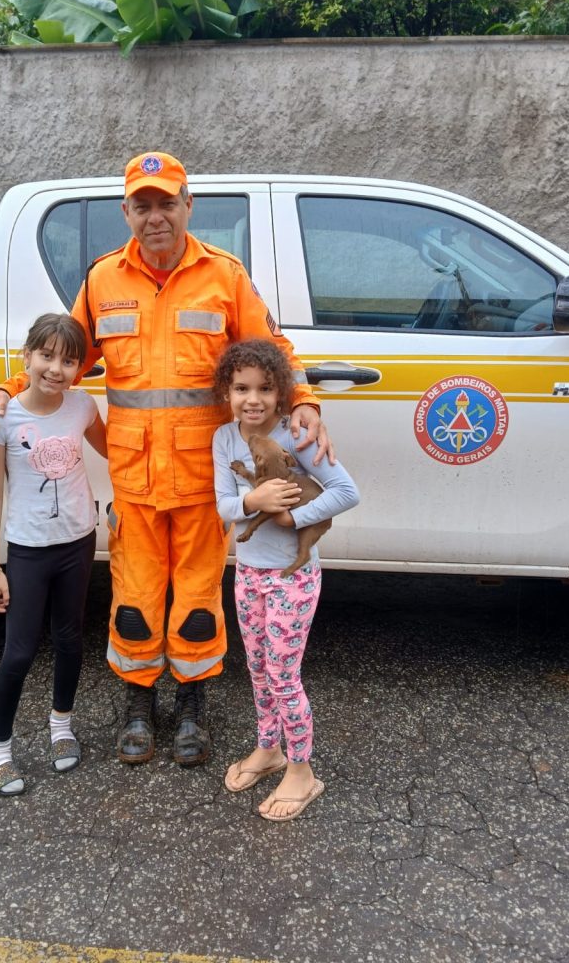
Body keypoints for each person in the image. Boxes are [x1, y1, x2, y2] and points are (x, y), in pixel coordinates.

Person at [0, 151, 332, 769]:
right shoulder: (103, 280)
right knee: (136, 599)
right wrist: (7, 389)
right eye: (143, 205)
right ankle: (139, 706)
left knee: (196, 599)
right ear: (127, 213)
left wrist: (302, 400)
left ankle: (191, 707)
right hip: (134, 480)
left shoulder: (224, 277)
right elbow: (61, 356)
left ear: (188, 206)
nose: (155, 216)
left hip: (204, 480)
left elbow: (270, 348)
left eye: (167, 202)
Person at [212, 340, 359, 820]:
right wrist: (254, 503)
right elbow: (224, 507)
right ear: (227, 391)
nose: (252, 399)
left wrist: (294, 520)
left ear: (282, 394)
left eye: (265, 389)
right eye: (241, 388)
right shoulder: (223, 440)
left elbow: (346, 491)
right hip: (249, 574)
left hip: (292, 581)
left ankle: (302, 771)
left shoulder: (295, 437)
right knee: (256, 668)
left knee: (283, 674)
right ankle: (268, 748)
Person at [0, 312, 107, 796]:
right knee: (19, 651)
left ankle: (61, 725)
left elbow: (118, 450)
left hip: (78, 541)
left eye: (69, 361)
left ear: (80, 368)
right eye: (47, 356)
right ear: (26, 357)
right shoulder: (1, 418)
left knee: (71, 639)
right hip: (29, 550)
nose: (56, 369)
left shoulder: (82, 408)